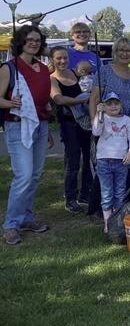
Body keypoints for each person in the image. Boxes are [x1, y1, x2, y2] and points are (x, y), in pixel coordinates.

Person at [1, 25, 52, 245]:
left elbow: (43, 99)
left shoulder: (43, 68)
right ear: (21, 42)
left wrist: (48, 124)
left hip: (40, 125)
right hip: (17, 125)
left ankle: (26, 216)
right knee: (24, 175)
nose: (34, 43)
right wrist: (9, 102)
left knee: (35, 174)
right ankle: (10, 224)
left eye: (38, 40)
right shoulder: (9, 68)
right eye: (30, 39)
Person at [49, 46, 92, 214]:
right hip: (69, 124)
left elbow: (88, 87)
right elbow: (58, 99)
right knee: (73, 161)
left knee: (89, 158)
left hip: (85, 122)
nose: (62, 61)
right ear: (52, 60)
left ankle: (85, 193)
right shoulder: (52, 79)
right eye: (58, 58)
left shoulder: (75, 73)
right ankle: (70, 198)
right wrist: (80, 101)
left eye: (65, 58)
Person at [92, 92, 130, 233]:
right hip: (104, 160)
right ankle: (107, 223)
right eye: (109, 104)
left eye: (116, 103)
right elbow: (96, 132)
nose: (113, 106)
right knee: (106, 193)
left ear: (120, 105)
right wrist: (98, 114)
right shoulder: (102, 117)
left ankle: (117, 221)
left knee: (120, 192)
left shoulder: (126, 119)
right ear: (104, 106)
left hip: (121, 161)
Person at [89, 37, 130, 120]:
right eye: (121, 50)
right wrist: (94, 123)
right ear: (115, 52)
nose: (124, 54)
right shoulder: (104, 71)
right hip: (109, 126)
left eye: (128, 51)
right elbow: (94, 99)